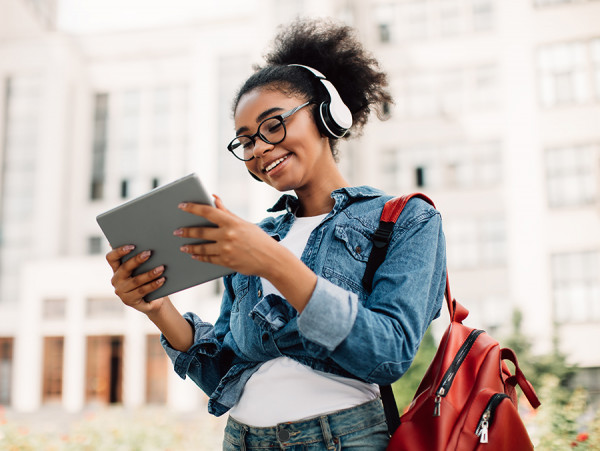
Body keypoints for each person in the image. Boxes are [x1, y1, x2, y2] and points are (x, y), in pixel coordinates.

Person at [106, 18, 446, 450]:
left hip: (341, 439)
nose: (260, 149)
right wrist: (158, 309)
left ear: (326, 114)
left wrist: (272, 261)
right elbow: (226, 372)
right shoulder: (254, 237)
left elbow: (388, 354)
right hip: (243, 439)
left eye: (272, 125)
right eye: (245, 141)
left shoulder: (407, 220)